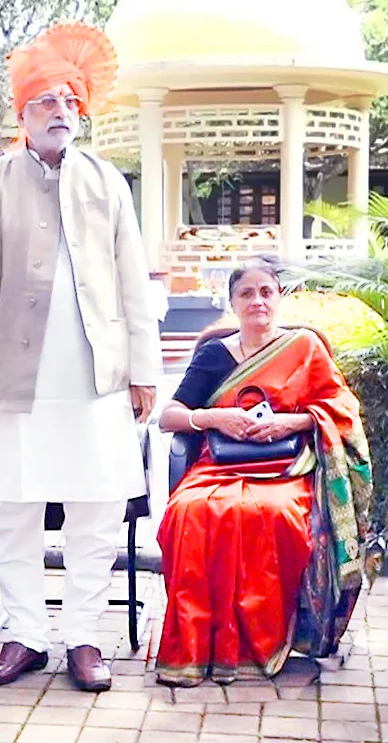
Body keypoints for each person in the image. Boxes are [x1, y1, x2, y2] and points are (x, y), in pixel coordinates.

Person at [0, 22, 160, 692]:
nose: (60, 111)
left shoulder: (108, 183)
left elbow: (133, 280)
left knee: (97, 509)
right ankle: (26, 633)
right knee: (15, 509)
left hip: (96, 376)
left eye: (68, 100)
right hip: (9, 375)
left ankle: (85, 635)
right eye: (45, 102)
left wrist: (145, 371)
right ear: (22, 115)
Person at [154, 259, 373, 686]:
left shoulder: (304, 348)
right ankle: (200, 647)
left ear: (279, 298)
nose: (257, 301)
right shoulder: (215, 355)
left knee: (275, 515)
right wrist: (213, 418)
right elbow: (169, 416)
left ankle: (260, 644)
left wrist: (291, 423)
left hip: (287, 469)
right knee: (190, 512)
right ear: (232, 302)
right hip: (219, 466)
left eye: (266, 292)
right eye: (246, 293)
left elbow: (342, 409)